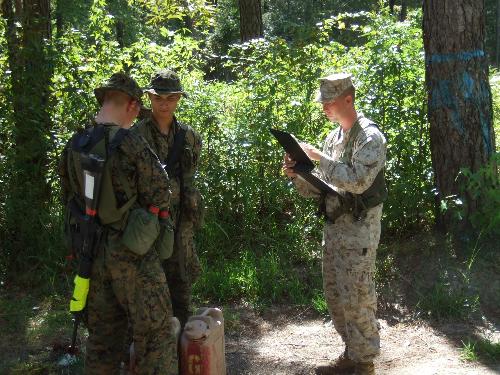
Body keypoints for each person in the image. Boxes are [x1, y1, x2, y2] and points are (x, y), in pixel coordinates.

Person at [59, 72, 178, 374]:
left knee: (103, 339)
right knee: (156, 335)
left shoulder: (75, 144)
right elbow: (161, 190)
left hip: (93, 251)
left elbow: (68, 194)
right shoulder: (131, 142)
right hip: (132, 253)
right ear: (133, 106)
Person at [283, 73, 387, 375]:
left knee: (357, 295)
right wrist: (299, 173)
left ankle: (364, 363)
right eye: (323, 102)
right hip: (335, 229)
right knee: (336, 295)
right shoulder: (333, 138)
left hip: (359, 230)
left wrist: (319, 159)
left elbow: (357, 181)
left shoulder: (369, 137)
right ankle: (351, 354)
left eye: (329, 102)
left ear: (348, 99)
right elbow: (320, 187)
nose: (324, 108)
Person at [132, 69, 203, 327]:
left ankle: (183, 342)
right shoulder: (136, 136)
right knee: (149, 283)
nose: (165, 103)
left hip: (180, 220)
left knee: (181, 282)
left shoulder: (190, 137)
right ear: (150, 98)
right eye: (159, 98)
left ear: (178, 100)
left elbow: (191, 176)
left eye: (171, 98)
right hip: (148, 219)